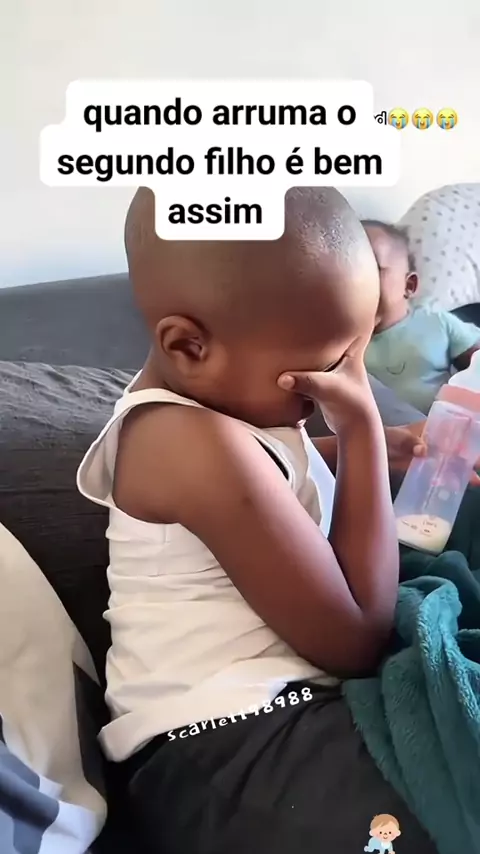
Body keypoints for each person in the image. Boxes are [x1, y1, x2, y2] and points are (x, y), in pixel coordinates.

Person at [77, 188, 437, 853]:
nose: (340, 384)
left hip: (278, 714)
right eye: (323, 366)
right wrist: (359, 432)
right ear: (188, 346)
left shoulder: (224, 411)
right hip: (222, 745)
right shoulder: (188, 445)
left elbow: (275, 471)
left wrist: (366, 448)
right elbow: (357, 640)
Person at [363, 220, 480, 415]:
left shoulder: (437, 323)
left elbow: (476, 361)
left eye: (368, 267)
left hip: (442, 428)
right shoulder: (337, 342)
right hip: (376, 432)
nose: (353, 279)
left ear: (409, 285)